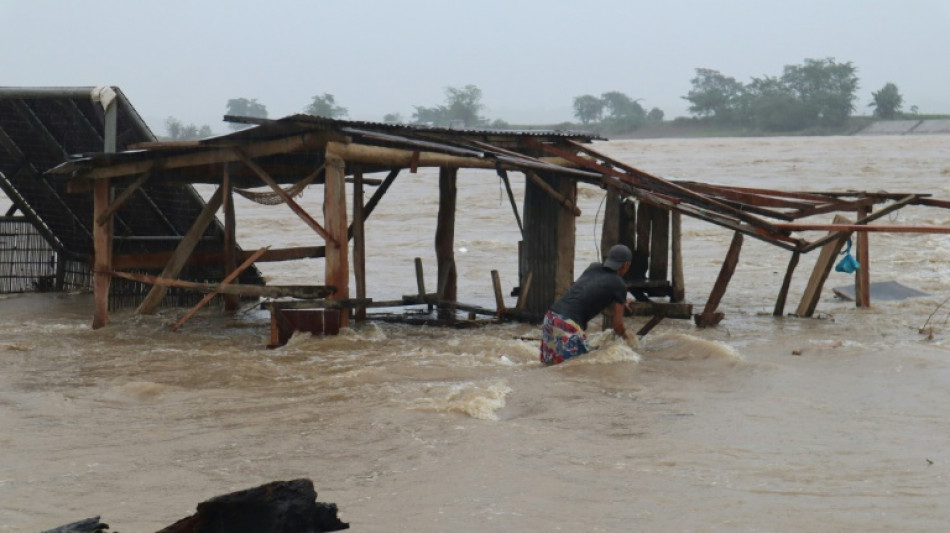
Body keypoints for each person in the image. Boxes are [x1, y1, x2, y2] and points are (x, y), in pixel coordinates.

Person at [539, 244, 634, 365]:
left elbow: (589, 291)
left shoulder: (593, 267)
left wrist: (621, 299)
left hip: (551, 317)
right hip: (567, 324)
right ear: (626, 265)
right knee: (573, 370)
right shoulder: (619, 283)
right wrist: (629, 340)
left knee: (549, 366)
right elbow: (617, 325)